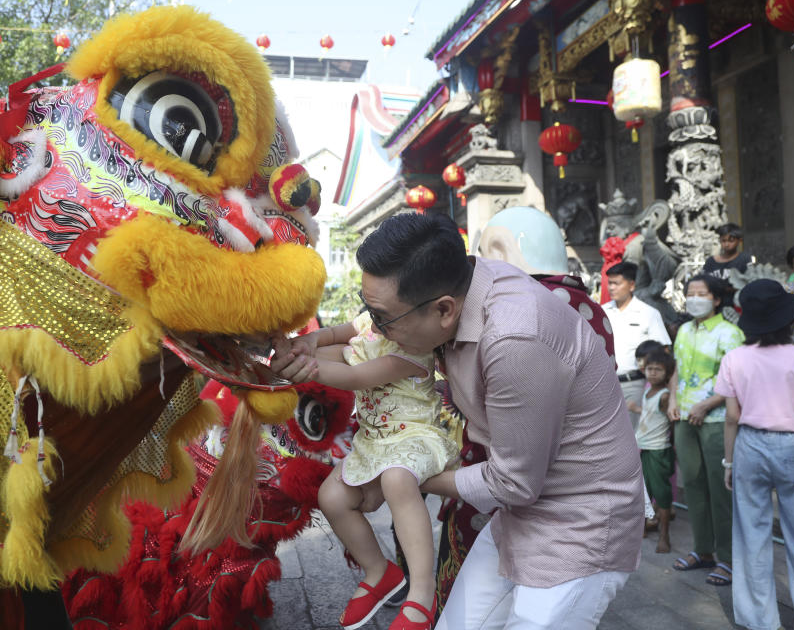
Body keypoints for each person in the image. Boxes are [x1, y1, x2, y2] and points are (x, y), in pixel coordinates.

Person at [272, 213, 643, 630]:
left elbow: (514, 482)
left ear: (444, 310)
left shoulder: (515, 339)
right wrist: (303, 349)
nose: (373, 329)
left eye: (382, 319)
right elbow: (354, 351)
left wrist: (400, 476)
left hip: (580, 524)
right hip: (517, 514)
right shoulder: (460, 291)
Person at [274, 311, 459, 630]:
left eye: (383, 312)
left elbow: (356, 375)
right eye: (372, 309)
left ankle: (422, 591)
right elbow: (337, 338)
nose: (373, 318)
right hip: (375, 440)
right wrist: (300, 345)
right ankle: (378, 571)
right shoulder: (376, 322)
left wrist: (306, 365)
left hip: (415, 436)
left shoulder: (413, 348)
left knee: (397, 478)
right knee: (330, 496)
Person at [714, 279, 794, 630]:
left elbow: (731, 416)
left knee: (751, 536)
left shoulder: (734, 358)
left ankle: (761, 621)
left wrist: (729, 462)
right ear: (786, 319)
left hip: (749, 445)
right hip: (792, 446)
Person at [668, 274, 743, 585]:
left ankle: (727, 557)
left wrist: (706, 405)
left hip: (715, 421)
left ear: (716, 299)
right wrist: (672, 398)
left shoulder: (730, 334)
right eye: (690, 292)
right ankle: (703, 550)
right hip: (685, 419)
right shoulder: (684, 330)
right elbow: (676, 370)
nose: (694, 297)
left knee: (719, 490)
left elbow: (736, 382)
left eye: (702, 293)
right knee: (694, 486)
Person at [602, 262, 671, 430]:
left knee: (634, 436)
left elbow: (664, 351)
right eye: (609, 283)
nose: (611, 288)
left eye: (616, 283)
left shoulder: (648, 313)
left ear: (631, 285)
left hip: (635, 385)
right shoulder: (602, 311)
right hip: (605, 384)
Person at [636, 349, 675, 554]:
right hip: (645, 447)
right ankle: (641, 528)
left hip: (658, 450)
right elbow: (651, 415)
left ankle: (664, 536)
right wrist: (636, 409)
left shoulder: (665, 395)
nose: (652, 373)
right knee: (644, 492)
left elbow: (671, 421)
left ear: (667, 373)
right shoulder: (648, 390)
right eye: (650, 369)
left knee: (662, 494)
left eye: (658, 370)